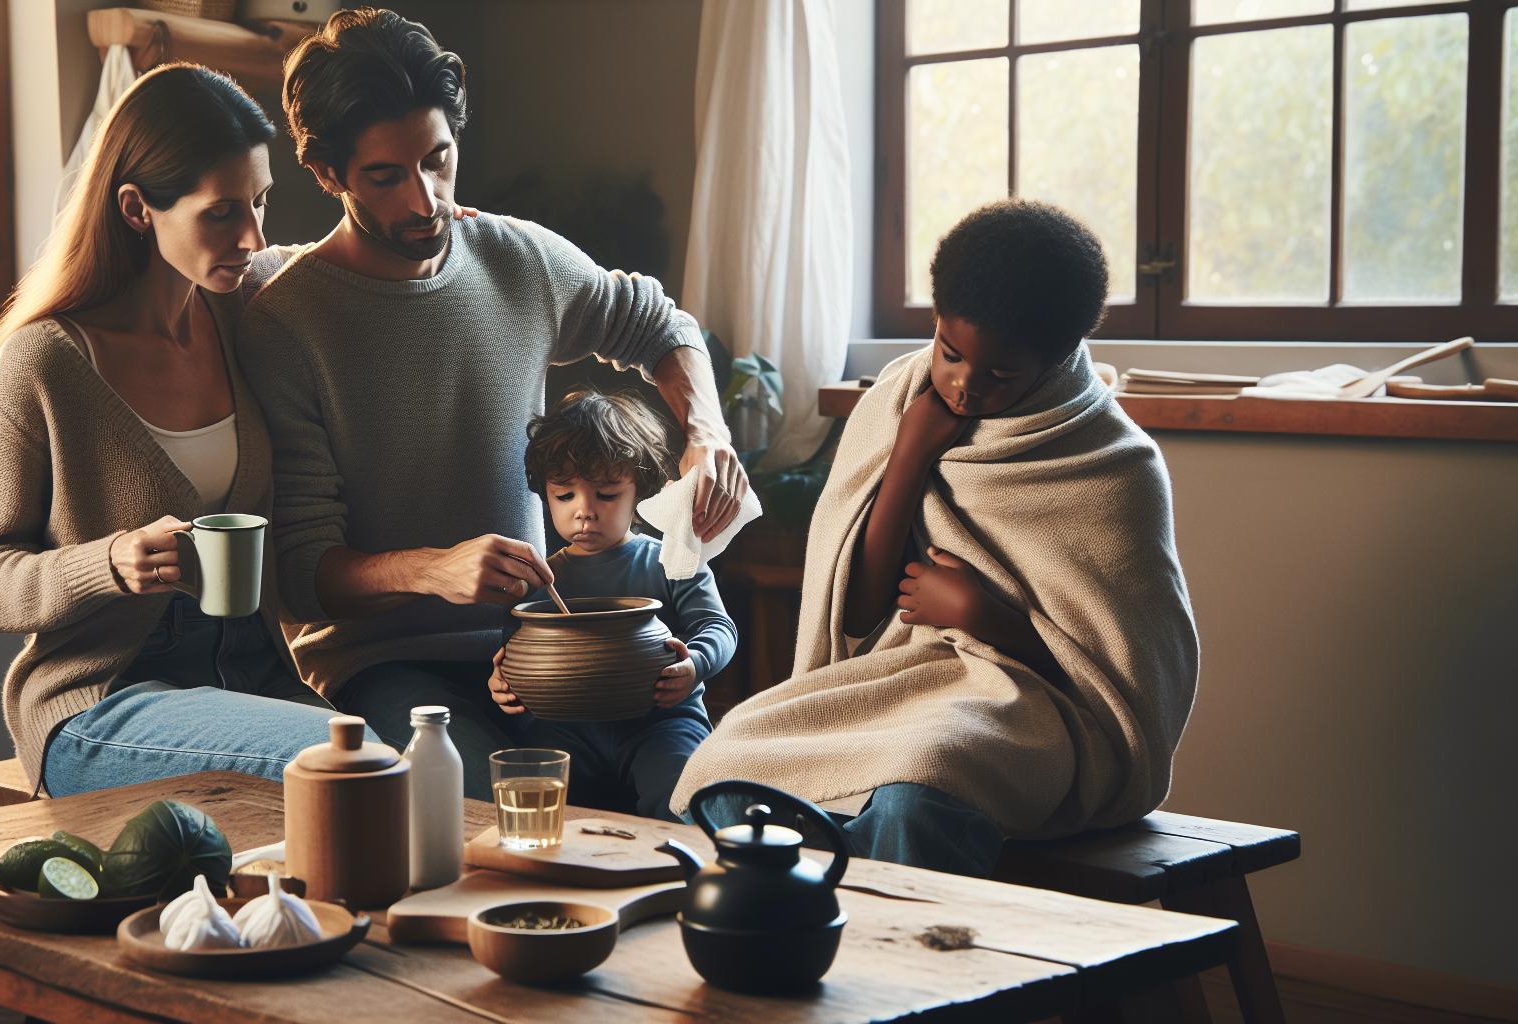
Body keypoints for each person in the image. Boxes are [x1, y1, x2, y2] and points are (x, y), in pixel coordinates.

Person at [240, 8, 748, 800]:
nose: (426, 201)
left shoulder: (517, 259)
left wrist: (707, 435)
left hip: (536, 642)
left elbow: (661, 324)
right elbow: (305, 573)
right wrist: (433, 569)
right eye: (386, 176)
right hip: (385, 666)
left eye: (438, 160)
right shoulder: (286, 322)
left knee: (682, 799)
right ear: (327, 173)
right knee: (497, 818)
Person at [673, 199, 1199, 873]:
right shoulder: (899, 402)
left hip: (1036, 708)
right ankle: (806, 914)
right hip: (899, 681)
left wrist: (985, 617)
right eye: (950, 353)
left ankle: (894, 929)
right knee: (727, 764)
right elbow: (857, 616)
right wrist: (910, 452)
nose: (964, 384)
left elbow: (1117, 686)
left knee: (920, 788)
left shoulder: (1113, 466)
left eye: (1000, 374)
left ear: (1057, 357)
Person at [0, 64, 362, 798]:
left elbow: (343, 266)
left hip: (252, 675)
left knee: (406, 764)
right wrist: (108, 562)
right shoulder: (48, 360)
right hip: (104, 699)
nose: (253, 235)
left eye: (260, 202)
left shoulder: (243, 312)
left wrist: (445, 222)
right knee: (337, 763)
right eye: (221, 212)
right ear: (138, 208)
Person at [484, 390, 736, 820]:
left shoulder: (672, 559)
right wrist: (502, 681)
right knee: (530, 806)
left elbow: (718, 627)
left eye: (605, 494)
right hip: (566, 728)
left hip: (661, 721)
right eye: (565, 496)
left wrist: (693, 664)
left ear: (639, 491)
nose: (584, 511)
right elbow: (514, 648)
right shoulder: (539, 578)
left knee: (683, 804)